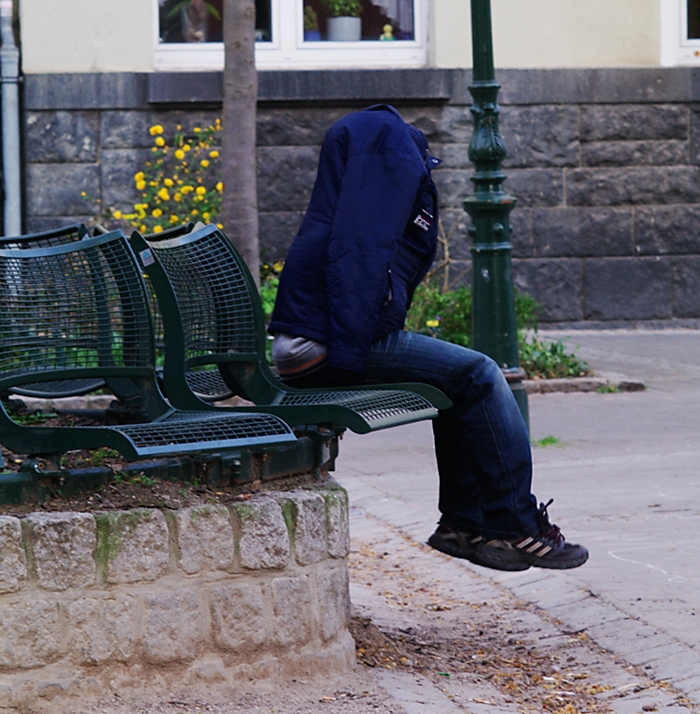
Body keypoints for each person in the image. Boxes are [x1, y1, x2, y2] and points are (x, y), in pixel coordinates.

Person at [269, 104, 588, 572]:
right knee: (479, 374)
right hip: (324, 346)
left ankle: (462, 525)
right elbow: (361, 253)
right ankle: (517, 527)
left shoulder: (346, 193)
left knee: (454, 383)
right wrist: (351, 352)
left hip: (314, 340)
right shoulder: (375, 171)